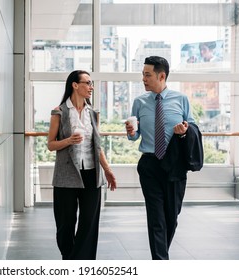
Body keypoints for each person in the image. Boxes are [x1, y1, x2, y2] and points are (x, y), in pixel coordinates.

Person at [125, 56, 203, 260]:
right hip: (149, 164)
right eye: (143, 74)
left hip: (175, 165)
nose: (143, 79)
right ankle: (160, 262)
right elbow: (134, 136)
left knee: (171, 217)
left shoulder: (181, 99)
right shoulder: (139, 102)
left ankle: (161, 255)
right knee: (156, 217)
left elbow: (193, 128)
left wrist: (184, 131)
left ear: (161, 76)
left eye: (147, 75)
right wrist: (131, 131)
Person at [47, 70, 117, 260]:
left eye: (91, 83)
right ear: (75, 85)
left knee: (89, 223)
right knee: (65, 224)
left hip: (91, 174)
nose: (91, 87)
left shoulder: (93, 113)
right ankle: (69, 259)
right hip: (66, 175)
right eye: (87, 83)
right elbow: (50, 144)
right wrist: (69, 140)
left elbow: (98, 145)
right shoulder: (59, 112)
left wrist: (107, 170)